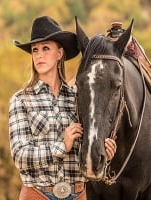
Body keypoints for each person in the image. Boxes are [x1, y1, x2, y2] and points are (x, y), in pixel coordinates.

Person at [9, 16, 117, 200]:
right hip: (37, 195)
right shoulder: (21, 100)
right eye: (35, 50)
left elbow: (86, 149)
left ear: (60, 54)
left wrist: (104, 152)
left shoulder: (77, 97)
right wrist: (61, 146)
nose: (39, 55)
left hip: (78, 194)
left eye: (45, 48)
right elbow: (20, 156)